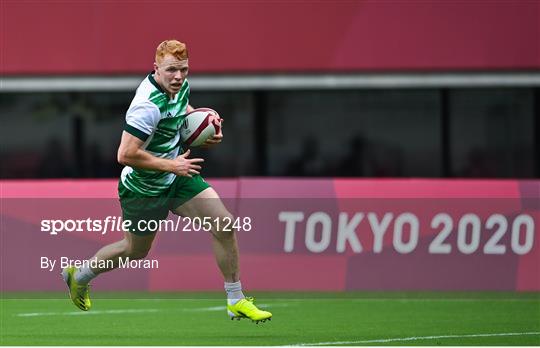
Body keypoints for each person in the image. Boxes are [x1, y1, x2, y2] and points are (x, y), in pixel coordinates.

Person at [61, 40, 272, 323]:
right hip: (144, 188)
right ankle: (81, 274)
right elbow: (125, 154)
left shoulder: (180, 87)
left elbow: (182, 109)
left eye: (183, 70)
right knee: (135, 250)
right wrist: (172, 164)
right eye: (171, 70)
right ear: (156, 69)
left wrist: (204, 126)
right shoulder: (146, 106)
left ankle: (235, 299)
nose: (178, 76)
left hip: (177, 176)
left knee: (223, 224)